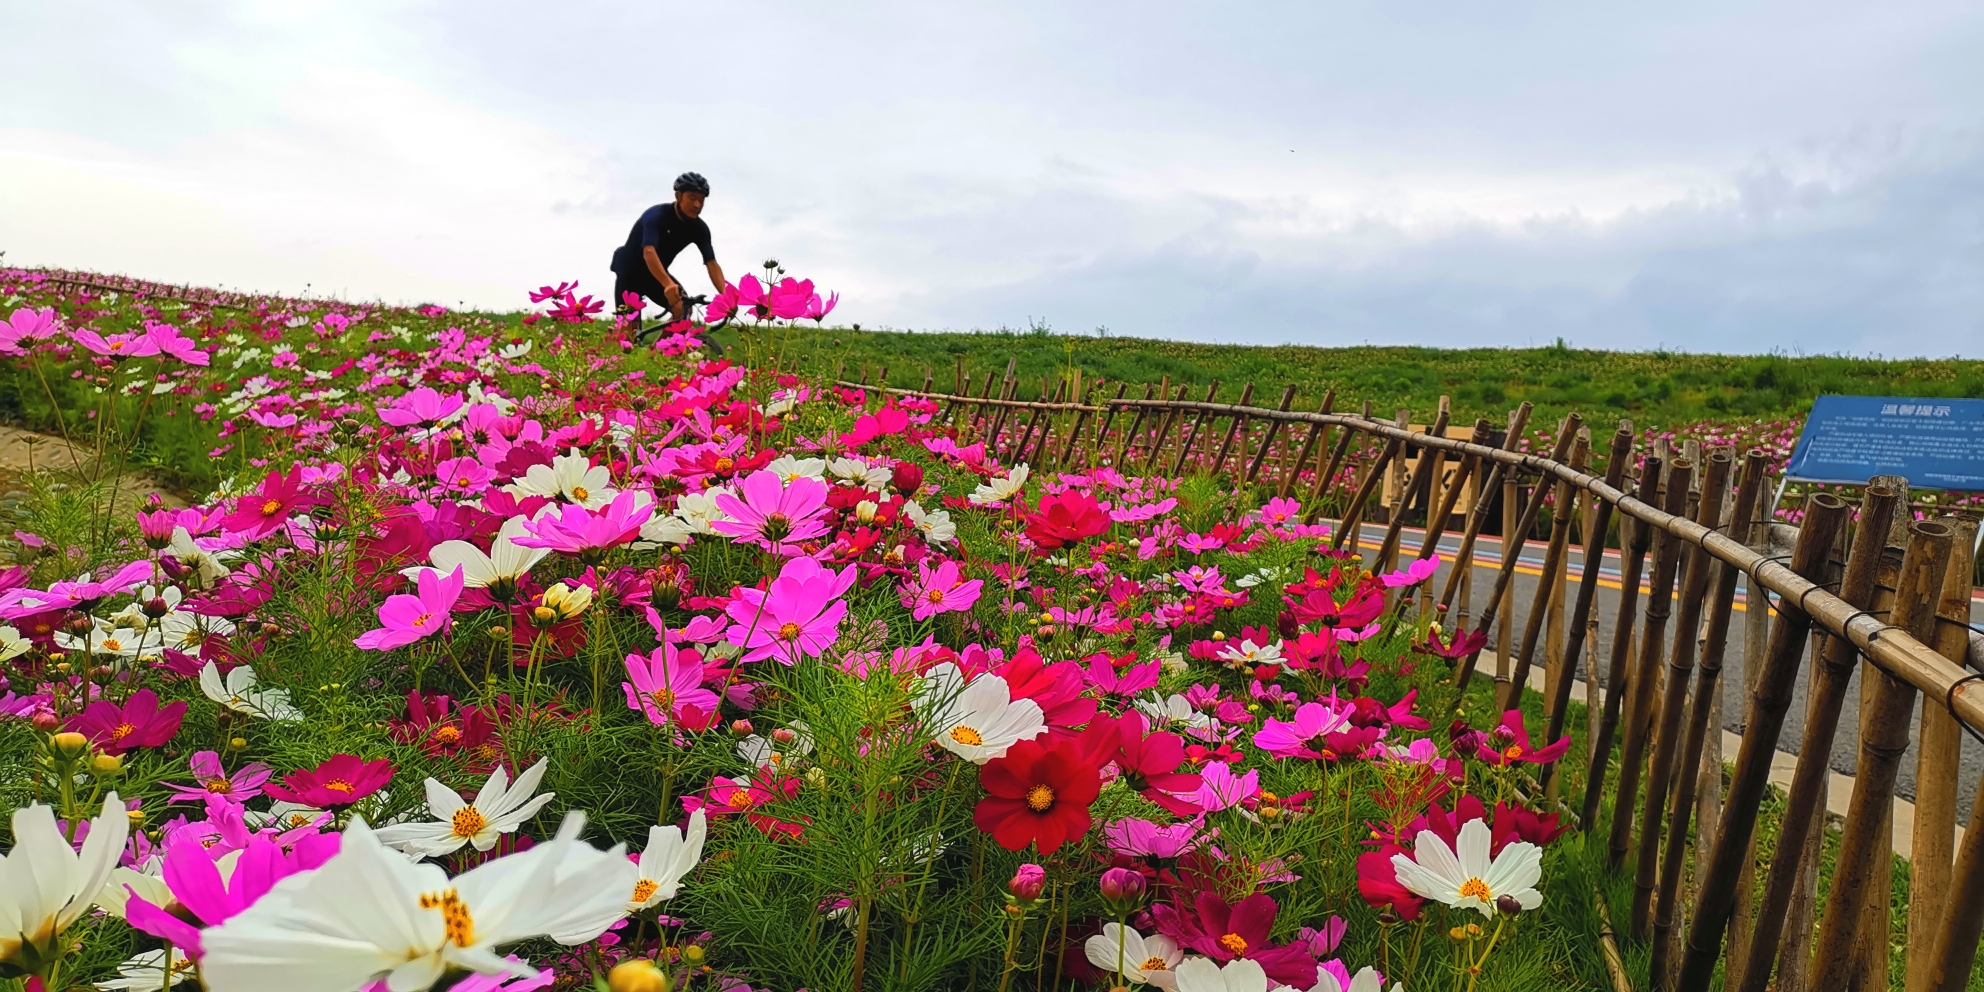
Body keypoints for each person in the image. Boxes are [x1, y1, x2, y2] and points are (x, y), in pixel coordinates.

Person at [611, 172, 727, 324]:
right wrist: (667, 283)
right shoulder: (657, 215)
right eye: (692, 198)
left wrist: (726, 297)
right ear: (678, 196)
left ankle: (661, 348)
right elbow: (649, 251)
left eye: (701, 200)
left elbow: (711, 263)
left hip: (655, 276)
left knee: (683, 309)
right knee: (628, 329)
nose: (697, 205)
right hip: (630, 272)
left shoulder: (699, 229)